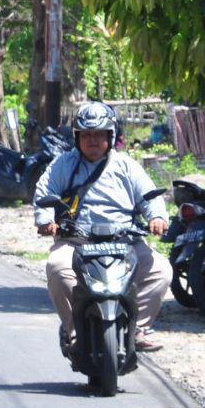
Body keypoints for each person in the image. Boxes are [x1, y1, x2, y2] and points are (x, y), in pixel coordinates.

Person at [34, 101, 171, 354]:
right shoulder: (62, 165)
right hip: (77, 242)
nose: (93, 140)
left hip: (124, 242)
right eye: (86, 135)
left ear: (111, 135)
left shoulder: (127, 166)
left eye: (99, 134)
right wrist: (46, 220)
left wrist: (158, 218)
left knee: (160, 270)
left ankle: (138, 329)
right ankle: (75, 333)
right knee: (57, 269)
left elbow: (150, 197)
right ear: (77, 138)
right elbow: (45, 193)